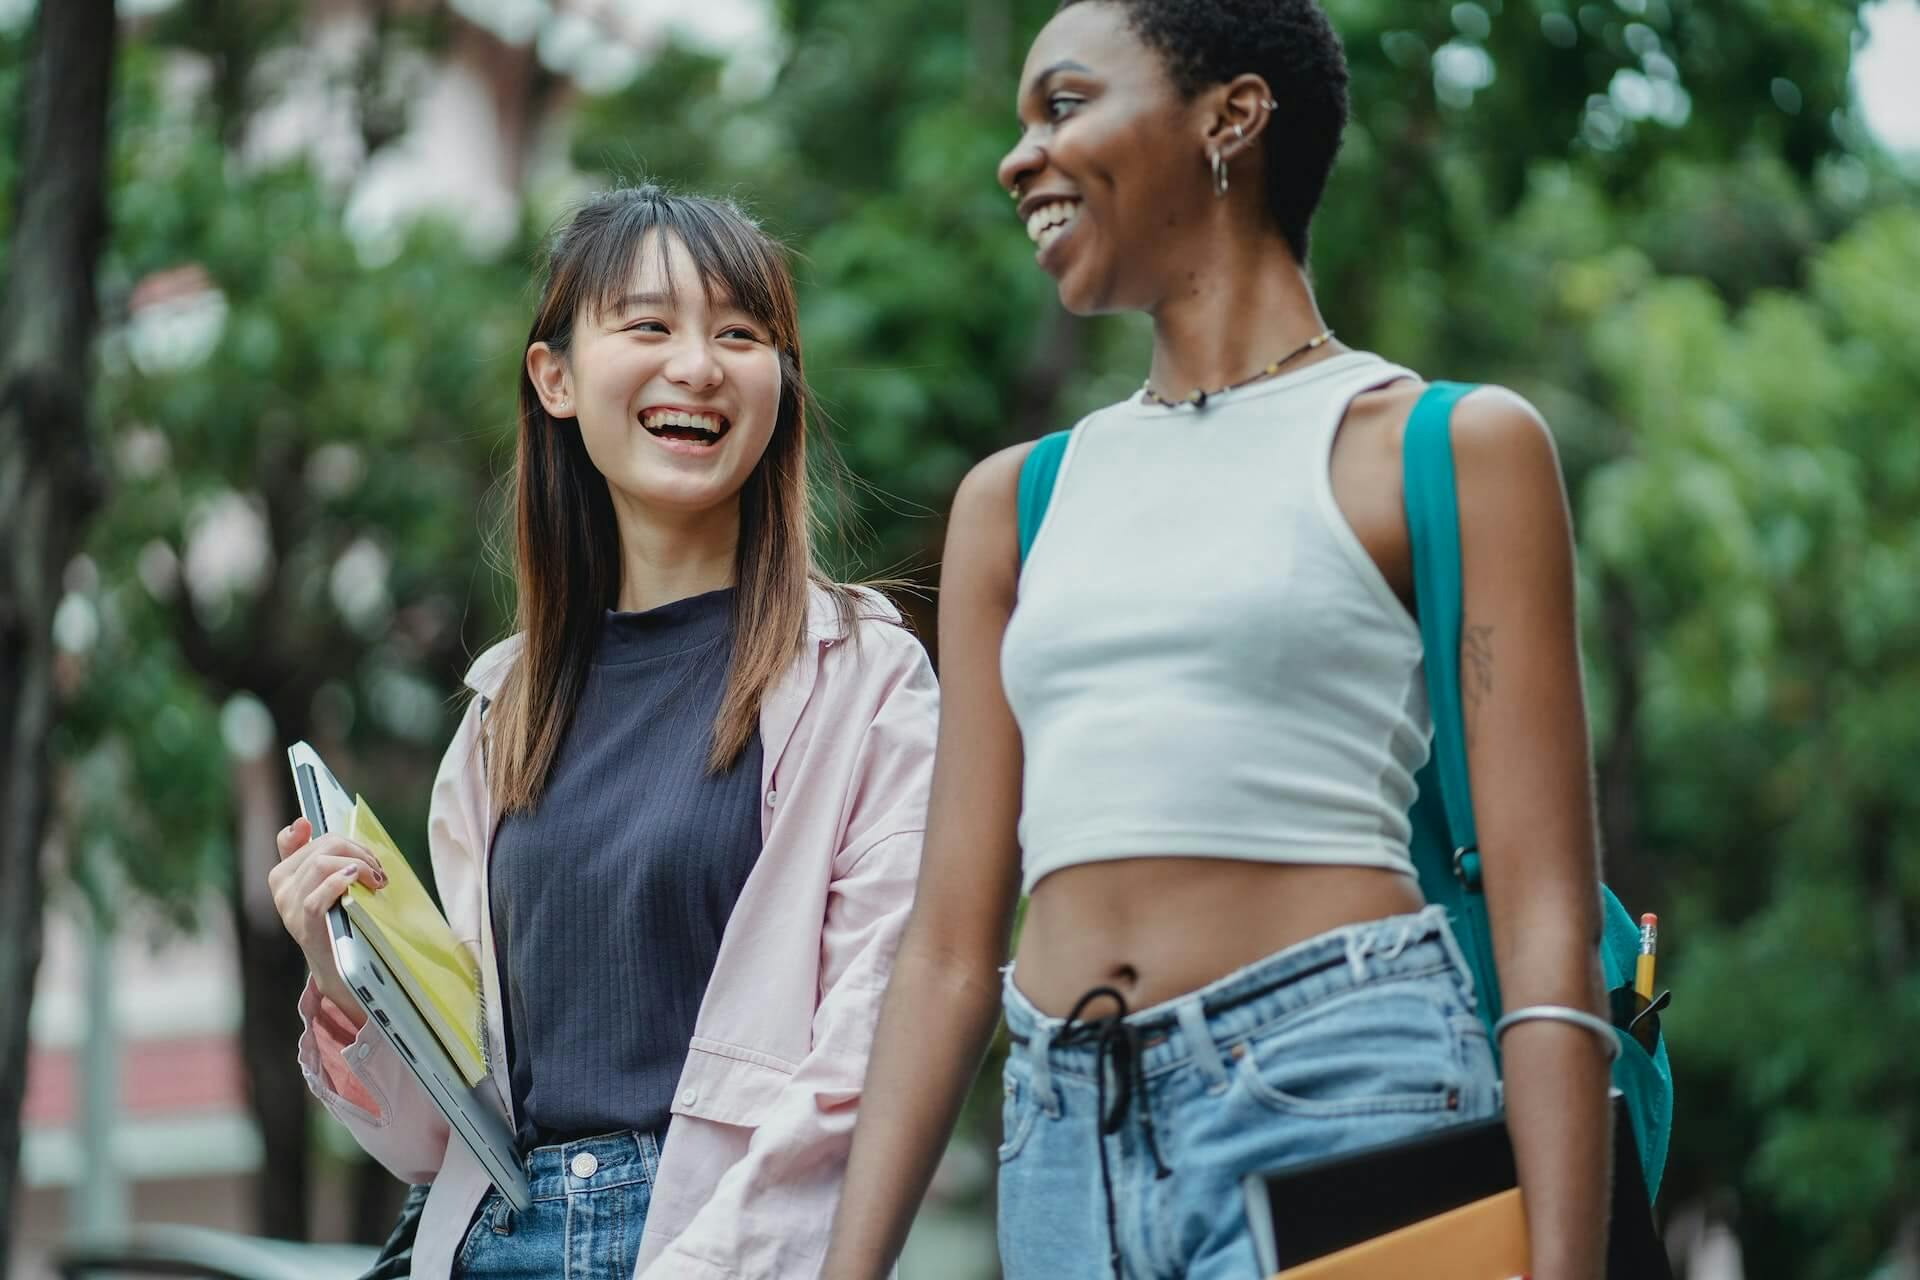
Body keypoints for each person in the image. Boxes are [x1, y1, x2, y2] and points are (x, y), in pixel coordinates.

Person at [822, 3, 1613, 1278]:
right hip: (1062, 1126)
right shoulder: (1013, 502)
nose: (1019, 156)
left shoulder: (1443, 447)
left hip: (1343, 1080)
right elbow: (951, 949)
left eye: (1064, 105)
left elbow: (1543, 926)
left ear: (1229, 118)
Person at [270, 185, 939, 1280]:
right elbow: (439, 1139)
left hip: (722, 1240)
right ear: (557, 378)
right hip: (498, 1239)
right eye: (650, 325)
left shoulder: (861, 674)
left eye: (742, 331)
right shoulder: (505, 711)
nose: (701, 364)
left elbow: (878, 1038)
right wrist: (342, 969)